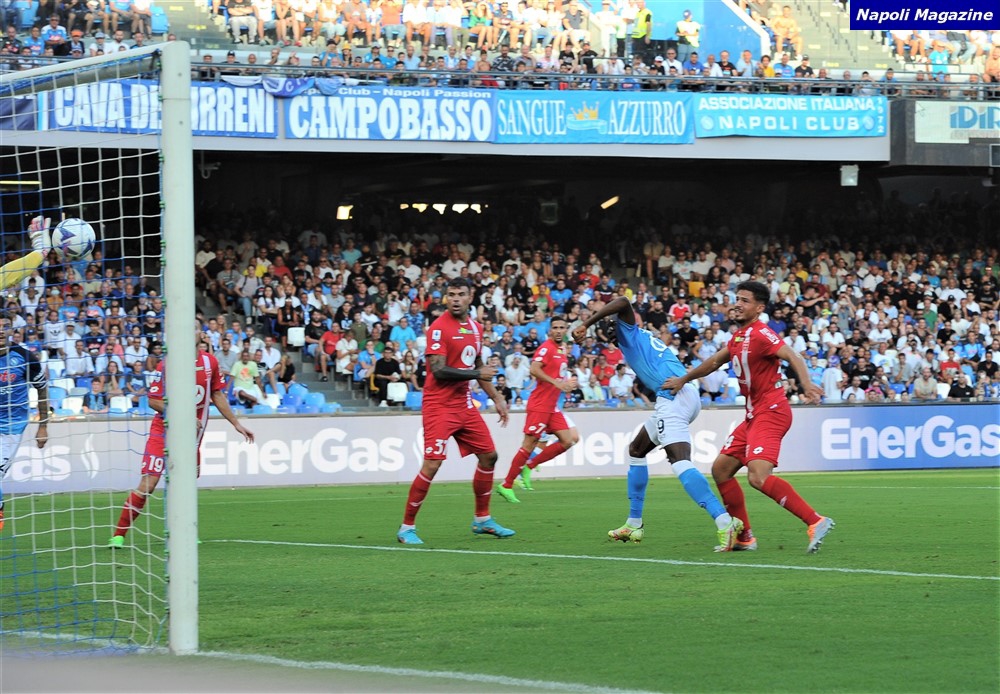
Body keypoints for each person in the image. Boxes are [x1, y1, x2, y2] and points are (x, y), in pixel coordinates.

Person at [664, 281, 835, 554]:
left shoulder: (762, 334)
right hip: (753, 415)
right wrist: (684, 379)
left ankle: (815, 521)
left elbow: (792, 355)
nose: (738, 304)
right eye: (737, 299)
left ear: (759, 308)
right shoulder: (739, 337)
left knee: (758, 476)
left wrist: (805, 383)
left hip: (772, 411)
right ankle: (745, 538)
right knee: (721, 470)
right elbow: (713, 362)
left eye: (745, 300)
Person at [571, 296, 743, 550]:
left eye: (610, 328)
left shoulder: (628, 331)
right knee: (636, 450)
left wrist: (586, 323)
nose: (610, 334)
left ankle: (724, 521)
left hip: (672, 396)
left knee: (679, 462)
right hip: (683, 393)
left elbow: (622, 301)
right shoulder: (636, 338)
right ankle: (633, 524)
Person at [109, 322, 254, 548]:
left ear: (201, 334)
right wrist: (183, 416)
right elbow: (154, 400)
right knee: (149, 484)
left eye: (194, 327)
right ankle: (118, 535)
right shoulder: (168, 364)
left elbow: (216, 394)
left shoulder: (210, 362)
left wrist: (236, 423)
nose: (189, 330)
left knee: (185, 485)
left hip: (192, 437)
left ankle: (185, 532)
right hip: (164, 431)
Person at [397, 278, 514, 545]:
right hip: (439, 406)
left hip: (464, 404)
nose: (456, 299)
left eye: (461, 294)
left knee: (489, 456)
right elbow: (438, 370)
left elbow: (479, 366)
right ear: (446, 298)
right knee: (432, 464)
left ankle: (482, 520)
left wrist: (496, 397)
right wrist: (476, 374)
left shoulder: (475, 327)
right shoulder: (438, 329)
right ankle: (406, 528)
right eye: (451, 294)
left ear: (470, 297)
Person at [496, 314, 579, 503]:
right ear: (550, 330)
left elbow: (556, 374)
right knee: (529, 444)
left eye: (562, 327)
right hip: (540, 404)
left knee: (568, 440)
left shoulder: (561, 348)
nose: (558, 331)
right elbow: (534, 369)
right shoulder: (546, 348)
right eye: (555, 327)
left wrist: (567, 383)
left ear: (566, 330)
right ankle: (506, 485)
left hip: (551, 406)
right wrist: (558, 384)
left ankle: (530, 465)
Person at [0, 315, 49, 532]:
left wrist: (43, 426)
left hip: (11, 426)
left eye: (5, 327)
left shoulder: (25, 357)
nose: (1, 331)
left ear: (12, 331)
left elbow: (42, 389)